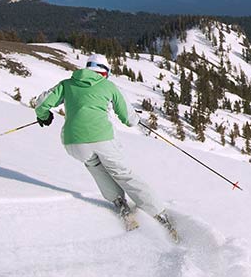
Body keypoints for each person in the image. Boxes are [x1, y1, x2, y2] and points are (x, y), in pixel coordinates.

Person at [35, 53, 174, 234]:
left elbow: (41, 103)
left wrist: (44, 116)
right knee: (122, 173)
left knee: (95, 165)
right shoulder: (108, 86)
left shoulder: (66, 84)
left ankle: (119, 203)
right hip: (102, 139)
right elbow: (128, 118)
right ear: (105, 72)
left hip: (74, 143)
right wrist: (136, 120)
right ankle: (159, 214)